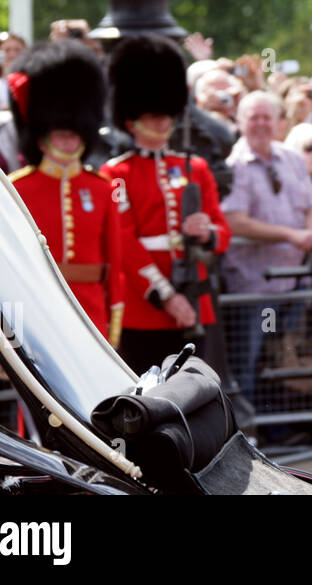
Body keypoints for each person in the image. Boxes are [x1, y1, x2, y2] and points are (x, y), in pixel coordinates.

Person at [100, 35, 233, 375]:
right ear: (132, 120)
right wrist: (165, 295)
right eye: (152, 115)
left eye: (165, 115)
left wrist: (206, 233)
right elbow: (124, 241)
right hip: (144, 306)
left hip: (194, 298)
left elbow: (223, 230)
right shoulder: (116, 173)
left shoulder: (196, 167)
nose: (161, 122)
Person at [7, 41, 151, 341]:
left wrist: (113, 326)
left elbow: (113, 262)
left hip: (91, 308)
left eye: (73, 137)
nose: (69, 143)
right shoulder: (17, 187)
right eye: (61, 136)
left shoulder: (102, 188)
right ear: (42, 138)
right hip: (38, 305)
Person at [219, 91, 312, 408]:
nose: (261, 124)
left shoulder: (291, 158)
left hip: (294, 283)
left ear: (279, 122)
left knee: (285, 358)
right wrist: (291, 235)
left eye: (267, 117)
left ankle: (281, 429)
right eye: (254, 117)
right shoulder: (233, 165)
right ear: (240, 122)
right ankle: (249, 435)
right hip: (254, 288)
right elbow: (234, 221)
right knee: (248, 362)